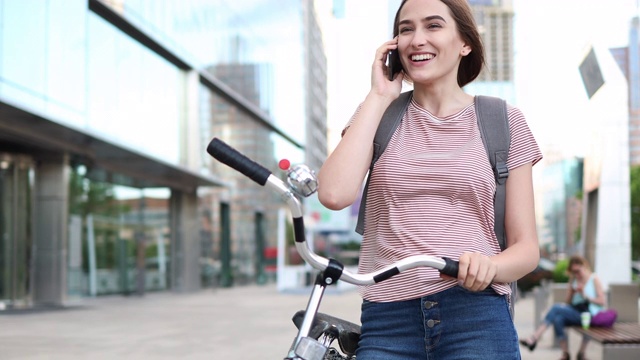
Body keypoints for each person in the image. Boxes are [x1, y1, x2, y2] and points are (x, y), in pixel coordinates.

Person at [317, 0, 542, 358]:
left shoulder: (503, 120)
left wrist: (491, 266)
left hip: (476, 317)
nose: (416, 39)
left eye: (433, 26)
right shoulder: (378, 114)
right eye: (406, 29)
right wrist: (379, 94)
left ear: (465, 43)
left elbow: (527, 248)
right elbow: (332, 193)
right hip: (388, 319)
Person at [519, 255, 606, 360]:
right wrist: (572, 293)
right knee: (558, 319)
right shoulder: (573, 281)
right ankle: (566, 353)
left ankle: (534, 338)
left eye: (578, 271)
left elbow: (602, 301)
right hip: (576, 311)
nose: (576, 274)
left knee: (556, 308)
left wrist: (585, 295)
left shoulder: (593, 279)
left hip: (589, 314)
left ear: (584, 266)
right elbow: (568, 303)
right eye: (573, 272)